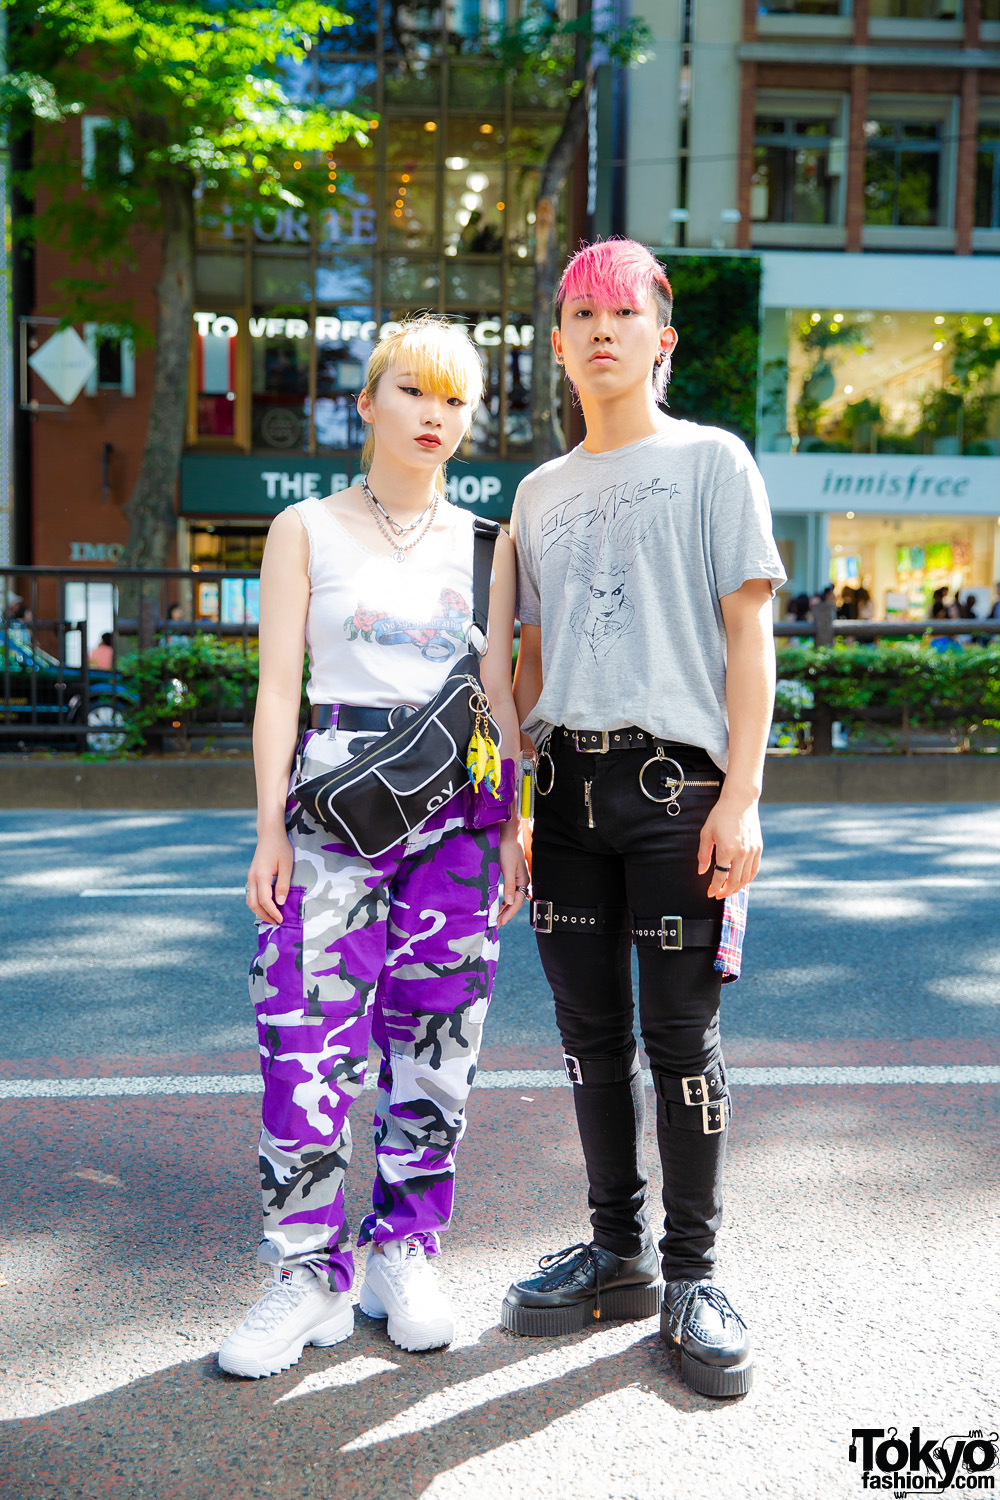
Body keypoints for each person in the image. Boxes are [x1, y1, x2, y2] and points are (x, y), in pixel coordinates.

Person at [219, 316, 528, 1380]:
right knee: (303, 1039)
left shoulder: (490, 544)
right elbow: (276, 691)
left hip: (455, 818)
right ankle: (308, 1271)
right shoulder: (304, 527)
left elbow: (496, 700)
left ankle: (404, 1249)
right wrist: (266, 824)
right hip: (328, 815)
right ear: (367, 406)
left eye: (455, 399)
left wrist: (516, 822)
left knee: (437, 1041)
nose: (435, 415)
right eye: (414, 392)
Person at [504, 239, 785, 1399]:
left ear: (660, 340)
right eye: (580, 313)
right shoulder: (535, 494)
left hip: (679, 792)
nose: (600, 329)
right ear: (560, 344)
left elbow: (747, 634)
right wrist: (508, 807)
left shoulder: (712, 461)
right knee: (587, 1038)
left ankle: (693, 1275)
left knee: (680, 1035)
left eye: (622, 312)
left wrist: (745, 795)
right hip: (564, 794)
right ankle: (615, 1251)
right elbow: (519, 664)